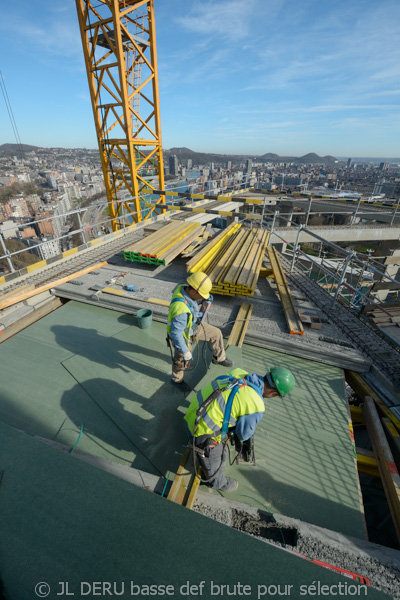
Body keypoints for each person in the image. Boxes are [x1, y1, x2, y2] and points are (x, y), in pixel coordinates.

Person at [184, 366, 296, 492]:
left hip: (192, 413)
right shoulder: (256, 404)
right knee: (220, 457)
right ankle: (218, 483)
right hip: (200, 431)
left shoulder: (239, 373)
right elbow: (243, 434)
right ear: (274, 393)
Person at [167, 272, 233, 391]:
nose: (203, 297)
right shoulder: (180, 310)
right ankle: (177, 380)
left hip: (193, 325)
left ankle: (219, 358)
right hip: (183, 336)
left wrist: (204, 302)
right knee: (180, 358)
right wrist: (186, 351)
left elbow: (192, 302)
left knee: (216, 333)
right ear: (194, 291)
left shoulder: (184, 288)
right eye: (201, 295)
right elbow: (176, 333)